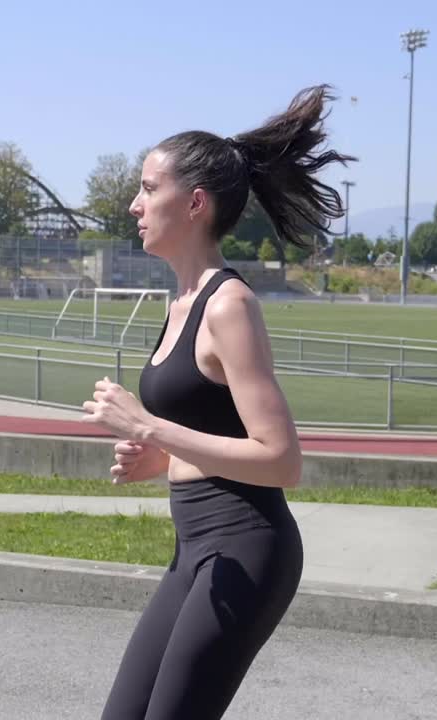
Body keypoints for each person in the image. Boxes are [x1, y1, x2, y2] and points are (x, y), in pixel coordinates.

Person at [80, 85, 355, 719]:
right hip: (196, 548)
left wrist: (151, 425)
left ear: (195, 203)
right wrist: (163, 459)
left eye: (149, 189)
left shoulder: (228, 305)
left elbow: (281, 460)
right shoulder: (179, 302)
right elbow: (212, 429)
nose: (134, 204)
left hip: (249, 548)